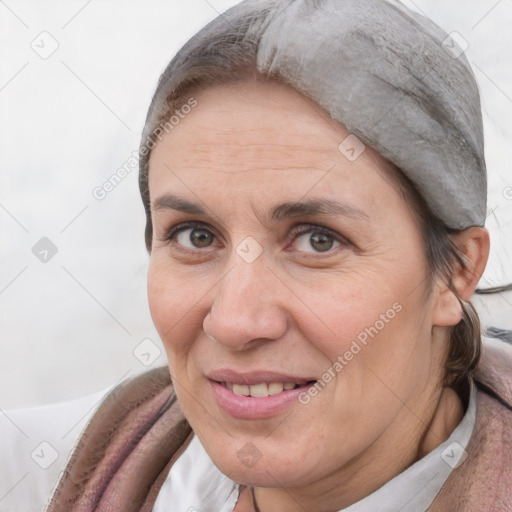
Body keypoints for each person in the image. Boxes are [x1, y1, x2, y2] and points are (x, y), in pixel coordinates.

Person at [44, 0, 512, 510]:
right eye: (195, 236)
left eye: (318, 240)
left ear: (455, 272)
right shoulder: (42, 472)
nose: (235, 322)